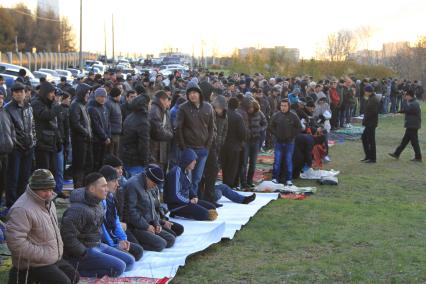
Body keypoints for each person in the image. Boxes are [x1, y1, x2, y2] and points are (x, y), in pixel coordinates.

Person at [6, 169, 79, 284]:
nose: (49, 194)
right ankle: (20, 274)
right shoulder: (21, 209)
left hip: (50, 258)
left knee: (74, 277)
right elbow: (16, 243)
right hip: (32, 263)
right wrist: (44, 254)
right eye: (44, 190)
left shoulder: (48, 202)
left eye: (51, 189)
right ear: (34, 189)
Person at [61, 172, 135, 278]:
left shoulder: (99, 203)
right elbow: (67, 237)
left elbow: (99, 230)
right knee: (119, 268)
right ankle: (73, 269)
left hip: (98, 245)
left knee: (130, 261)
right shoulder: (77, 209)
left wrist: (116, 243)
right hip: (83, 251)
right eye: (103, 186)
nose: (107, 189)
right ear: (92, 189)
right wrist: (83, 253)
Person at [124, 164, 176, 252]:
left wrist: (157, 223)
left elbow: (153, 208)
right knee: (161, 244)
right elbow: (131, 212)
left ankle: (147, 239)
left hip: (148, 223)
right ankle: (138, 244)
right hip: (135, 226)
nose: (155, 186)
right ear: (148, 178)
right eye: (154, 183)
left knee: (171, 239)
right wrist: (146, 226)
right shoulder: (133, 185)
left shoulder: (149, 184)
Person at [176, 81, 214, 196]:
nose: (192, 95)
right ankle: (187, 200)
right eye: (190, 93)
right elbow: (178, 128)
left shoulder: (208, 107)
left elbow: (212, 128)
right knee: (188, 178)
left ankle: (195, 200)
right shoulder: (183, 108)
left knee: (197, 178)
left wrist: (207, 146)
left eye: (194, 92)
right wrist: (183, 147)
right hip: (189, 149)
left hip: (203, 149)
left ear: (199, 93)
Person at [99, 165, 144, 260]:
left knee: (138, 251)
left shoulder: (111, 198)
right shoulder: (99, 202)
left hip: (114, 238)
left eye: (118, 181)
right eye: (114, 181)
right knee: (129, 259)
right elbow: (103, 231)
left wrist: (124, 240)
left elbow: (116, 221)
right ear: (105, 182)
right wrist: (115, 245)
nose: (117, 184)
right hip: (105, 243)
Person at [164, 148, 218, 221]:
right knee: (206, 215)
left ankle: (190, 212)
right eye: (194, 160)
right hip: (177, 205)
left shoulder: (185, 171)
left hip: (186, 202)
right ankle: (177, 213)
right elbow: (175, 195)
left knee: (212, 208)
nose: (195, 162)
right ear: (188, 160)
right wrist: (189, 201)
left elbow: (189, 187)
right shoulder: (176, 171)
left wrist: (194, 196)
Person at [5, 82, 36, 207]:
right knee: (13, 178)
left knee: (25, 177)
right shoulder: (8, 109)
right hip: (15, 149)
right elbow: (10, 131)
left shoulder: (29, 106)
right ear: (12, 94)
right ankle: (11, 204)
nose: (19, 94)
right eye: (16, 92)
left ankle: (21, 203)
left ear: (25, 93)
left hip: (29, 147)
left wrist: (33, 142)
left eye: (21, 92)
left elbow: (32, 126)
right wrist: (17, 145)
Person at [270, 99, 302, 186]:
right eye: (281, 105)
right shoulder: (276, 115)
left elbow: (299, 127)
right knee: (277, 161)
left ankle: (289, 179)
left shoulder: (293, 116)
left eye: (285, 106)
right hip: (278, 142)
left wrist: (292, 135)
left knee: (288, 161)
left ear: (289, 106)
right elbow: (271, 126)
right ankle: (275, 178)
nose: (283, 107)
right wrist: (276, 134)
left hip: (289, 142)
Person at [119, 94, 151, 176]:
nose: (151, 106)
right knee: (136, 186)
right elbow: (144, 145)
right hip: (136, 161)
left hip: (126, 157)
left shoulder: (130, 117)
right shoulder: (143, 122)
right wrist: (145, 162)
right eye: (150, 103)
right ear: (145, 105)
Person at [70, 83, 93, 188]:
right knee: (79, 165)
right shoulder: (75, 105)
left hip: (85, 140)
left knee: (86, 164)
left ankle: (84, 186)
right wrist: (86, 132)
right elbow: (75, 123)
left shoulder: (83, 105)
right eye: (87, 93)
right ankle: (78, 187)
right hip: (79, 141)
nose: (88, 95)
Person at [388, 89, 422, 162]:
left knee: (414, 142)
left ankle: (418, 157)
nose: (405, 97)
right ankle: (397, 153)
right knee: (405, 141)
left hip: (413, 125)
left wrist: (399, 110)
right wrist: (398, 112)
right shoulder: (412, 102)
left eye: (406, 95)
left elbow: (407, 109)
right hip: (411, 125)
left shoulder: (414, 103)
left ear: (409, 96)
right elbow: (406, 110)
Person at [221, 97, 247, 189]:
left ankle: (225, 184)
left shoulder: (223, 114)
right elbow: (242, 133)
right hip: (235, 146)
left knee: (225, 166)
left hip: (223, 145)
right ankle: (231, 186)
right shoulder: (238, 116)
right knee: (233, 167)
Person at [88, 88, 111, 171]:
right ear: (96, 96)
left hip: (104, 140)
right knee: (96, 162)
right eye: (101, 96)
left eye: (104, 97)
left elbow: (108, 123)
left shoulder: (104, 108)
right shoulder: (92, 108)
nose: (103, 99)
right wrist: (105, 137)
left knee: (102, 161)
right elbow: (96, 125)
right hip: (96, 140)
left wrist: (108, 136)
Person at [149, 90, 173, 170]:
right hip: (156, 150)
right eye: (167, 100)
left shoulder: (162, 110)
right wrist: (170, 134)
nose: (168, 103)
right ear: (162, 100)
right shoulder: (155, 110)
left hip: (161, 149)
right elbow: (158, 131)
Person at [0, 92, 14, 205]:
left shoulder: (5, 112)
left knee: (3, 181)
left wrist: (12, 142)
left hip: (5, 152)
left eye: (1, 98)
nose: (0, 100)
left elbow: (11, 129)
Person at [361, 84, 380, 163]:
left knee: (371, 141)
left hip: (371, 123)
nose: (364, 92)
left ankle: (372, 158)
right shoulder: (370, 98)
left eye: (365, 91)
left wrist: (365, 119)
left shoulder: (373, 99)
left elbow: (373, 112)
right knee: (364, 138)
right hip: (368, 123)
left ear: (368, 91)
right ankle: (368, 156)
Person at [106, 87, 123, 156]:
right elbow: (107, 119)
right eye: (120, 95)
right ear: (116, 96)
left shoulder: (116, 103)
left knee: (116, 154)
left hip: (117, 132)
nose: (121, 96)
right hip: (111, 134)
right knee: (111, 154)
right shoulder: (108, 104)